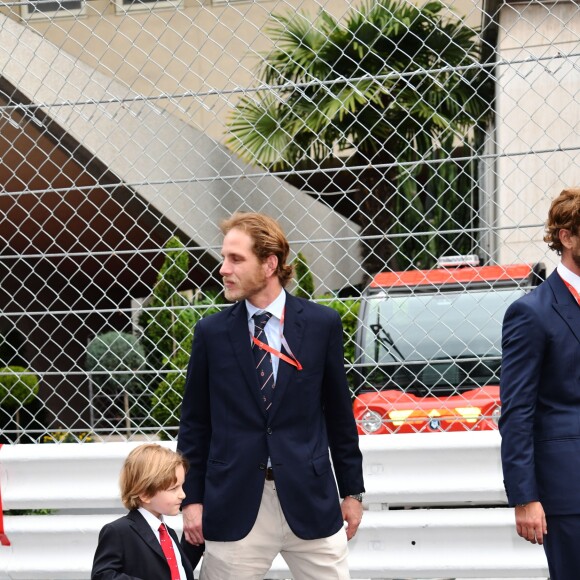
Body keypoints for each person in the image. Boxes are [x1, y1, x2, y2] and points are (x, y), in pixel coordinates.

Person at [177, 212, 365, 580]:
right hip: (235, 503)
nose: (223, 269)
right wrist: (192, 499)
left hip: (311, 500)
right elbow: (195, 424)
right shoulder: (211, 333)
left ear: (269, 264)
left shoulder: (321, 325)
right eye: (224, 258)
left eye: (236, 259)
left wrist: (353, 492)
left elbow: (340, 416)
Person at [499, 187, 580, 579]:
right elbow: (516, 411)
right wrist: (525, 496)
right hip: (569, 490)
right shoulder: (531, 313)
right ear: (567, 237)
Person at [91, 443, 201, 580]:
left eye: (182, 486)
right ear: (145, 494)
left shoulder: (169, 533)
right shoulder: (119, 531)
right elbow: (103, 575)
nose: (183, 495)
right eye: (174, 489)